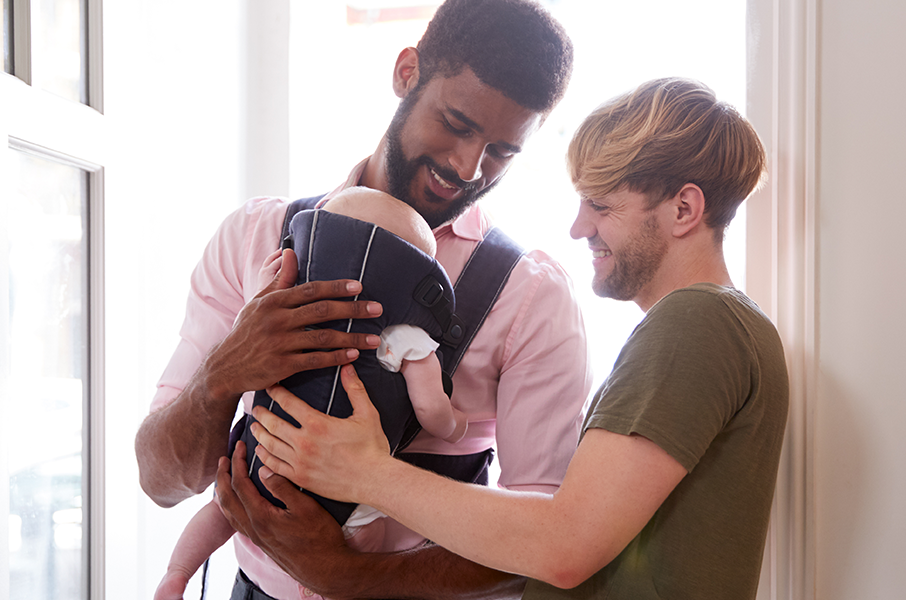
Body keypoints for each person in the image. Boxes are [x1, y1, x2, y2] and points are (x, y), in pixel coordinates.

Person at [237, 78, 790, 599]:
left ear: (684, 209)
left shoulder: (696, 324)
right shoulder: (716, 327)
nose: (579, 228)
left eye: (601, 205)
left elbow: (564, 545)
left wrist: (367, 474)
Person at [134, 1, 590, 598]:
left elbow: (544, 541)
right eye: (456, 122)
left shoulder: (532, 297)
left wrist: (354, 577)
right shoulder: (254, 238)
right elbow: (161, 479)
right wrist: (223, 375)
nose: (467, 166)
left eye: (502, 151)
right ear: (407, 72)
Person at [154, 186, 467, 600]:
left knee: (222, 509)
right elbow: (431, 409)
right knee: (363, 536)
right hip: (341, 491)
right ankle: (315, 586)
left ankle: (177, 572)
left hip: (260, 453)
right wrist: (456, 425)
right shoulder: (406, 337)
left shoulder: (279, 304)